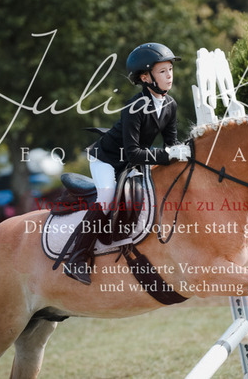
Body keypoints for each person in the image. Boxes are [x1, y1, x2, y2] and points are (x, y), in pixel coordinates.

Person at [65, 42, 191, 284]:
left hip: (131, 163)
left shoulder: (170, 105)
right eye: (162, 71)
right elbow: (134, 153)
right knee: (106, 197)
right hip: (106, 159)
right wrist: (169, 155)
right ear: (145, 77)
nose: (169, 75)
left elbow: (170, 144)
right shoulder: (135, 106)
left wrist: (182, 152)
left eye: (170, 70)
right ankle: (77, 257)